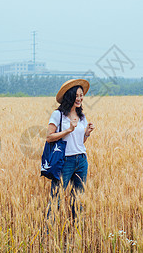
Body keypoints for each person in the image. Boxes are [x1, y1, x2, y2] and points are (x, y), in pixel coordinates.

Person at [46, 79, 95, 219]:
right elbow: (49, 137)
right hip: (64, 161)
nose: (79, 99)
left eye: (81, 95)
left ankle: (77, 234)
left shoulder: (81, 116)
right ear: (69, 96)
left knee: (78, 200)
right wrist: (68, 130)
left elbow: (80, 142)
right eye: (77, 96)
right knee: (56, 200)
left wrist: (87, 133)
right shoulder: (58, 115)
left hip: (81, 160)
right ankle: (48, 234)